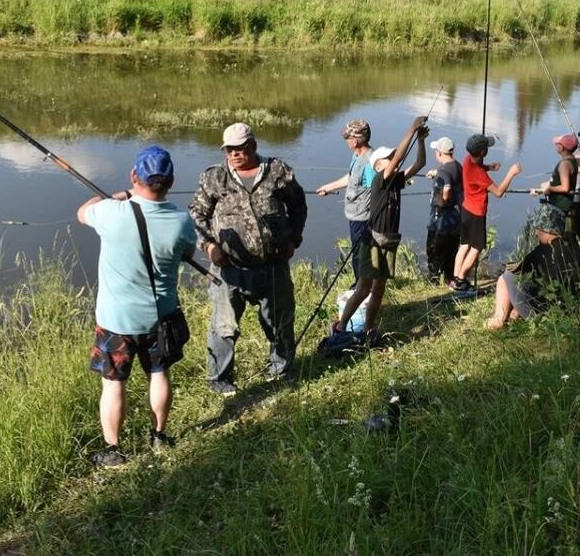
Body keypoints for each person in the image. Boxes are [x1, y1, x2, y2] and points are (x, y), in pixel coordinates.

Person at [77, 145, 197, 468]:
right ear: (170, 182)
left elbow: (83, 211)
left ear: (135, 176)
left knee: (114, 383)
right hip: (161, 318)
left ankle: (114, 450)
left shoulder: (111, 213)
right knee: (159, 374)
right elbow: (188, 250)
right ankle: (159, 436)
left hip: (116, 321)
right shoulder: (182, 221)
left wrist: (118, 196)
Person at [189, 123, 308, 395]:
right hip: (228, 269)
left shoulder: (277, 171)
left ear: (252, 146)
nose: (233, 154)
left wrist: (293, 240)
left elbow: (298, 205)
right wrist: (208, 246)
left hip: (274, 264)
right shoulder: (214, 178)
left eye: (239, 148)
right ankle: (219, 379)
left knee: (279, 320)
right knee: (224, 327)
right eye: (229, 149)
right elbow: (197, 215)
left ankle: (281, 369)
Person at [333, 116, 429, 339]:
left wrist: (421, 141)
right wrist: (412, 128)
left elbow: (419, 164)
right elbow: (399, 157)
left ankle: (368, 328)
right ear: (378, 165)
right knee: (364, 288)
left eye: (390, 158)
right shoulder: (381, 180)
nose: (391, 160)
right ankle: (340, 326)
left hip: (389, 239)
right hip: (373, 240)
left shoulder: (395, 180)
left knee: (379, 289)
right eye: (386, 159)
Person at [485, 205, 580, 330]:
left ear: (547, 230)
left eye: (538, 229)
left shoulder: (542, 251)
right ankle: (514, 313)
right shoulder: (573, 244)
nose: (536, 233)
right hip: (574, 306)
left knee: (507, 277)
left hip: (547, 314)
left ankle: (498, 318)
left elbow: (517, 270)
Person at [450, 134, 522, 293]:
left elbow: (478, 169)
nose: (488, 148)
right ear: (482, 152)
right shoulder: (480, 174)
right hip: (476, 214)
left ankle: (454, 279)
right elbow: (498, 192)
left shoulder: (467, 160)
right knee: (476, 248)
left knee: (464, 245)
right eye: (486, 148)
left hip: (466, 209)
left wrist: (489, 167)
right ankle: (461, 281)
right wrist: (511, 173)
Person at [315, 119, 375, 287]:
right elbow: (351, 178)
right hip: (355, 215)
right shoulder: (357, 156)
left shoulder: (370, 162)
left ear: (354, 140)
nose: (347, 141)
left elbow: (374, 189)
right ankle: (361, 283)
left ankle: (362, 286)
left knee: (360, 254)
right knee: (357, 252)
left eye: (347, 138)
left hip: (364, 218)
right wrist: (329, 187)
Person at [424, 136, 462, 281]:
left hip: (440, 220)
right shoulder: (457, 166)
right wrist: (436, 175)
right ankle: (449, 279)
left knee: (433, 252)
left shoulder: (444, 171)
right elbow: (450, 179)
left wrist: (440, 201)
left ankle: (432, 280)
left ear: (439, 153)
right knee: (450, 254)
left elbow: (446, 188)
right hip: (454, 219)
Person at [531, 133, 579, 219]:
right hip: (561, 204)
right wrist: (541, 190)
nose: (555, 145)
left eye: (557, 143)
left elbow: (565, 188)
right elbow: (559, 183)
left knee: (544, 231)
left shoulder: (564, 164)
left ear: (562, 147)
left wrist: (549, 188)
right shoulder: (572, 159)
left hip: (559, 206)